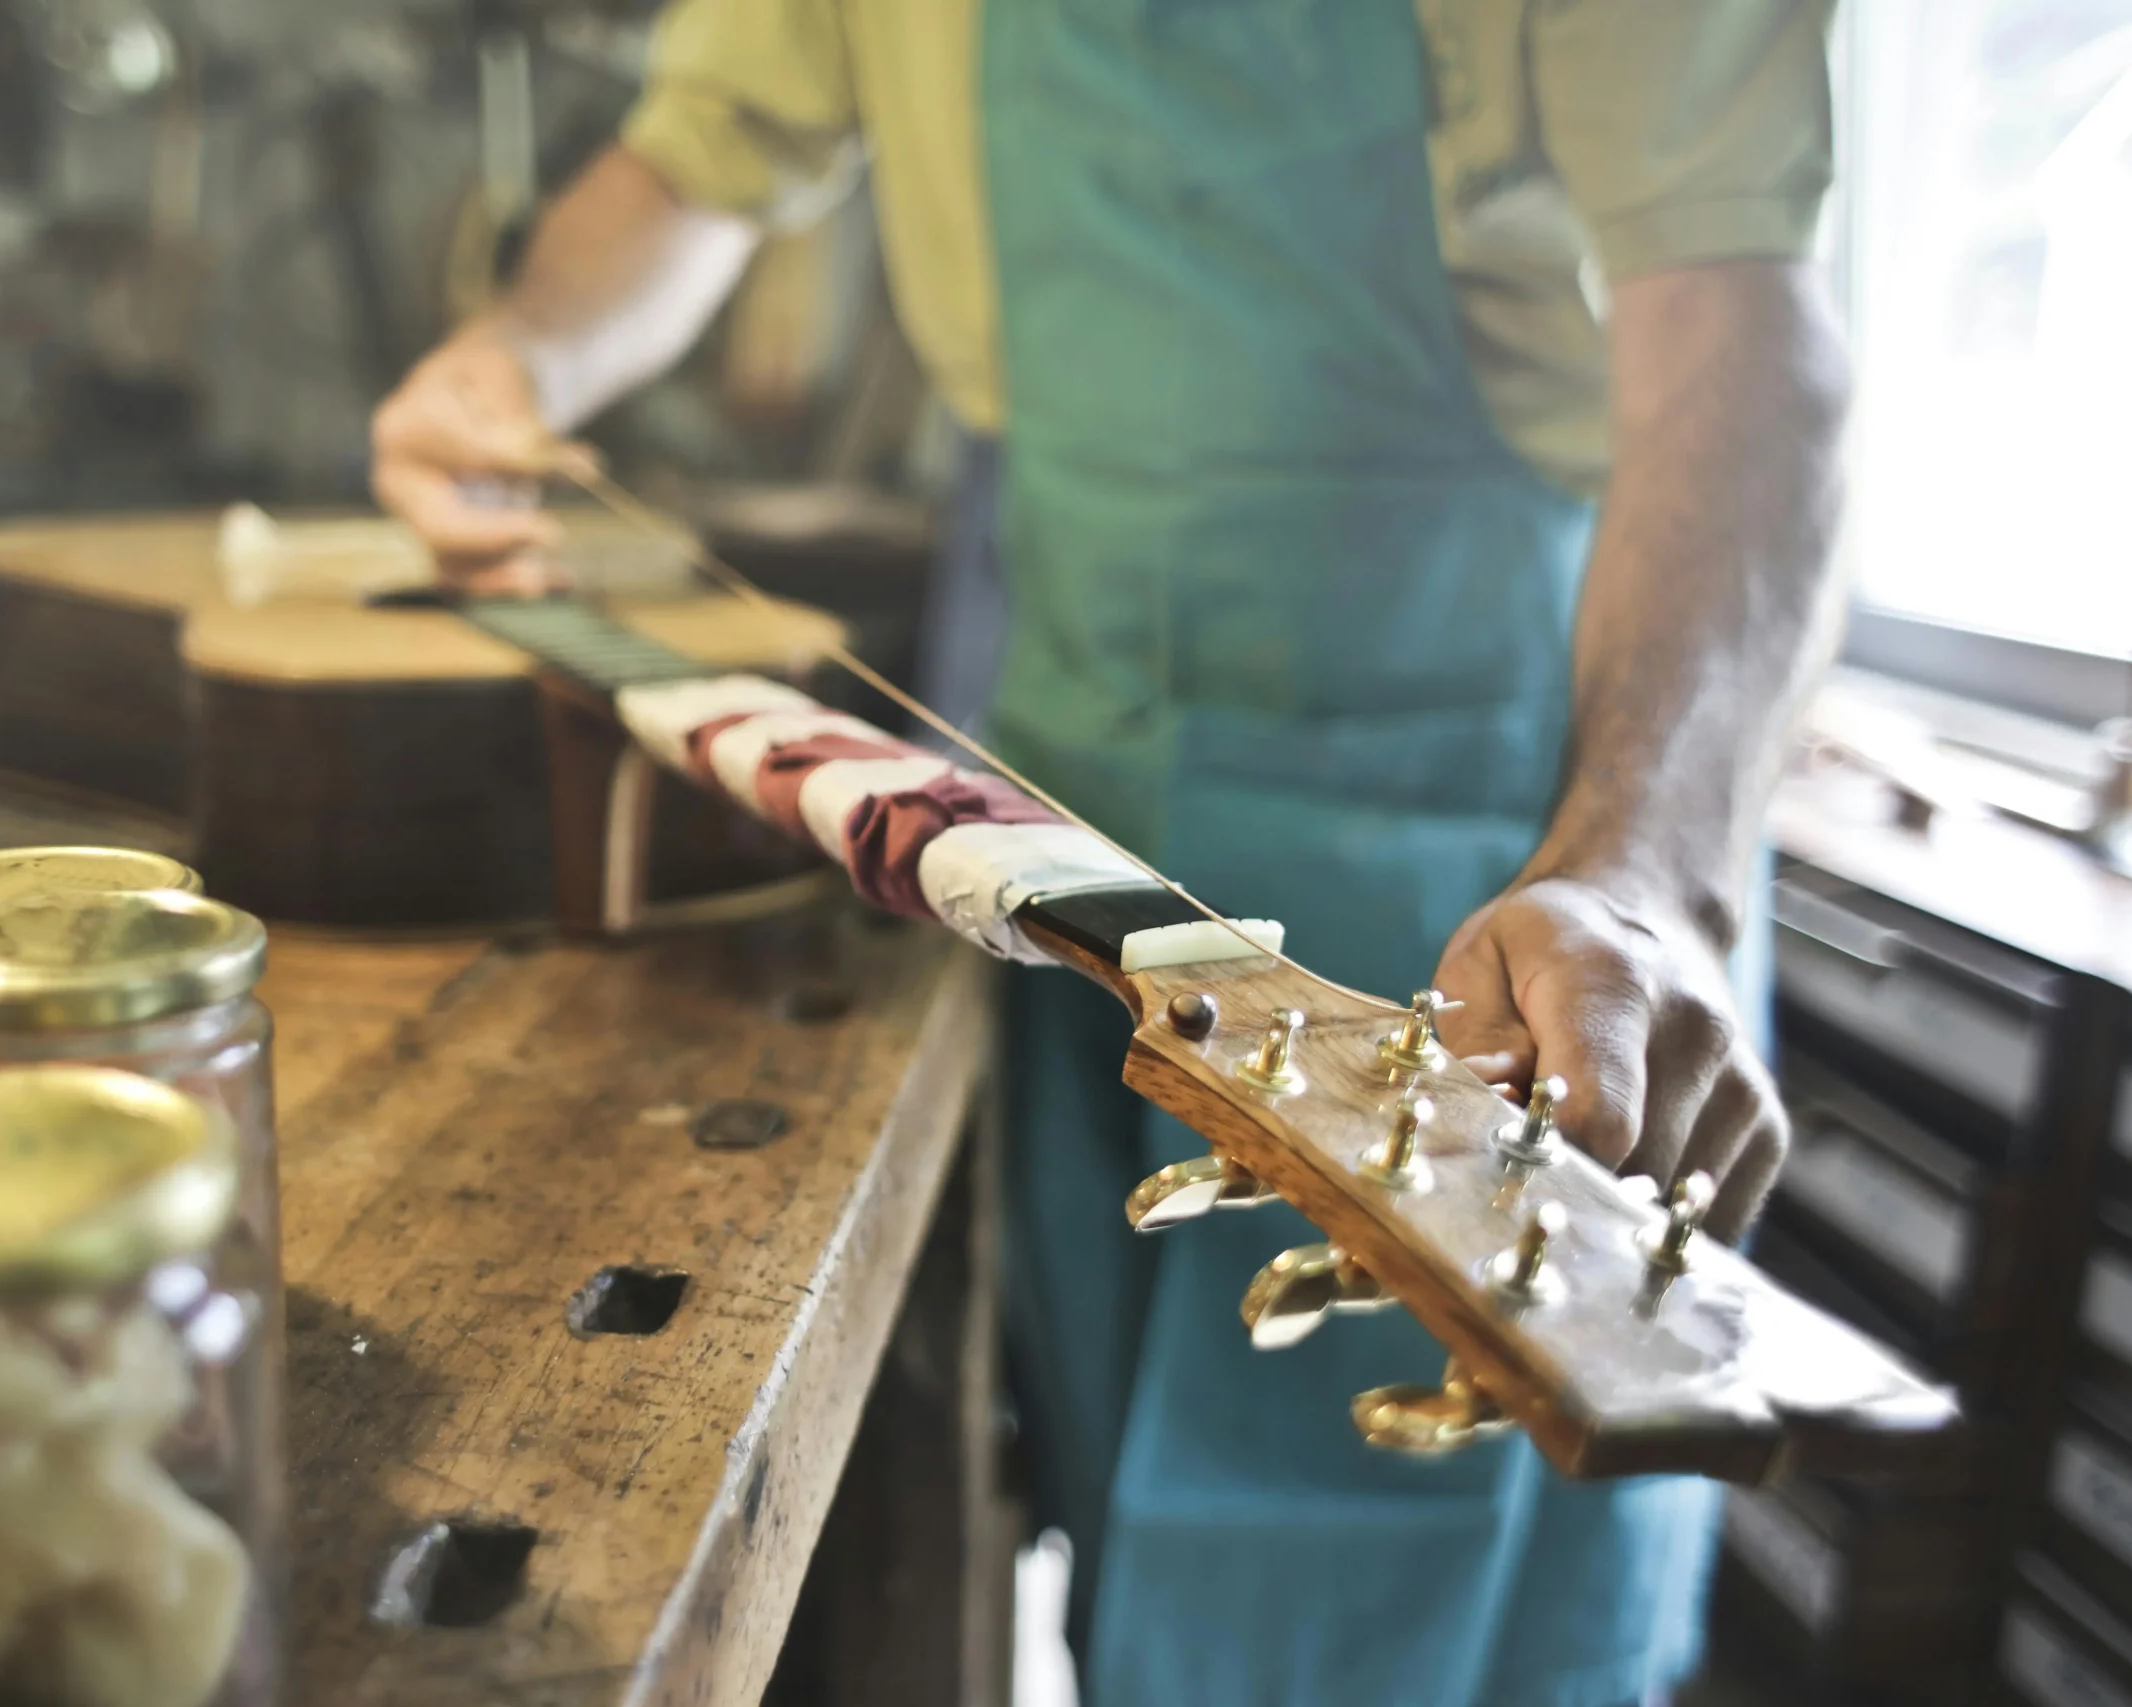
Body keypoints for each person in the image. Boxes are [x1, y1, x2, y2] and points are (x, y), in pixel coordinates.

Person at [371, 4, 1846, 1702]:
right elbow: (697, 153)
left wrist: (1647, 866)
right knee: (1121, 1549)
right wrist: (518, 359)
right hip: (1070, 858)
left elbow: (1740, 329)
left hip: (1504, 877)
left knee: (1416, 1599)